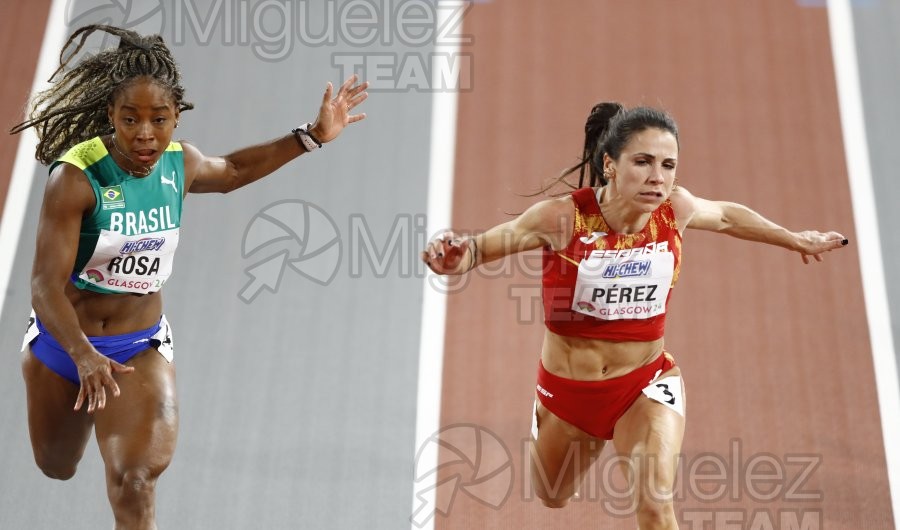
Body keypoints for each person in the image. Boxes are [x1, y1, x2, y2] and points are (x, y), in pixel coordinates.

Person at [421, 102, 848, 528]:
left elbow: (726, 215)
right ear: (610, 164)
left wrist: (793, 239)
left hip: (644, 384)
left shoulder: (674, 210)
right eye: (643, 162)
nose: (657, 177)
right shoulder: (562, 218)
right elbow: (481, 249)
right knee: (551, 494)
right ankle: (544, 417)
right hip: (569, 394)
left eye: (668, 165)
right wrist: (455, 258)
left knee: (655, 506)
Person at [10, 24, 367, 529]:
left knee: (135, 481)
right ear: (110, 117)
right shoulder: (76, 178)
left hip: (139, 346)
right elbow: (45, 286)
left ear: (177, 116)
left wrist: (310, 136)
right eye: (130, 119)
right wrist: (83, 355)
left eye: (159, 119)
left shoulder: (181, 163)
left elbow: (236, 171)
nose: (144, 134)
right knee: (56, 466)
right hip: (66, 345)